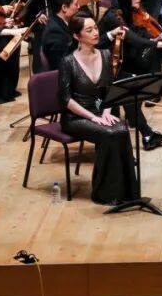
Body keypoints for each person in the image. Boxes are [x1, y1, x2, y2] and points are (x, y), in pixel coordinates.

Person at [59, 14, 139, 205]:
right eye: (89, 30)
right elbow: (66, 100)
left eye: (96, 28)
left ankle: (128, 192)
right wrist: (93, 118)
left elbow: (110, 89)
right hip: (76, 117)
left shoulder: (105, 55)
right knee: (109, 134)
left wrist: (106, 112)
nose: (96, 32)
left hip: (100, 112)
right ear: (77, 36)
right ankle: (105, 193)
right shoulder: (67, 62)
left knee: (121, 129)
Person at [97, 0, 162, 151]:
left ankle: (143, 131)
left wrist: (159, 37)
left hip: (119, 60)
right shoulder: (114, 17)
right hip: (102, 64)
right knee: (130, 89)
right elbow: (134, 40)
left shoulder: (130, 12)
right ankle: (146, 135)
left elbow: (140, 35)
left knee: (134, 85)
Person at [40, 0, 80, 72]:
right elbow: (62, 66)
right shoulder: (55, 33)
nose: (79, 7)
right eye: (76, 4)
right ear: (64, 8)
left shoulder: (59, 21)